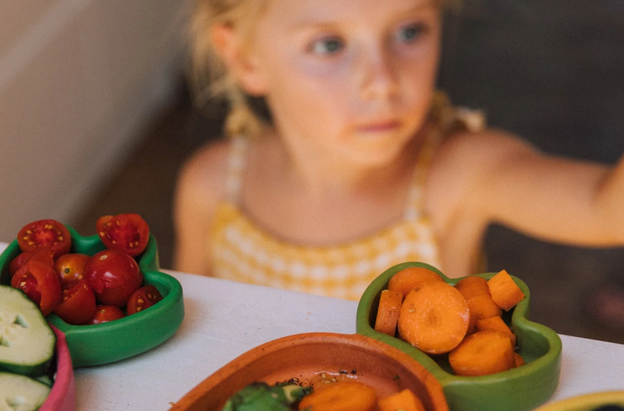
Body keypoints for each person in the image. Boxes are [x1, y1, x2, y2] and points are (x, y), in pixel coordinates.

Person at [173, 0, 624, 301]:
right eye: (329, 45)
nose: (383, 82)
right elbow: (190, 330)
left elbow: (605, 211)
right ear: (245, 59)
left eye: (410, 32)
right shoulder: (213, 188)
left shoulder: (460, 176)